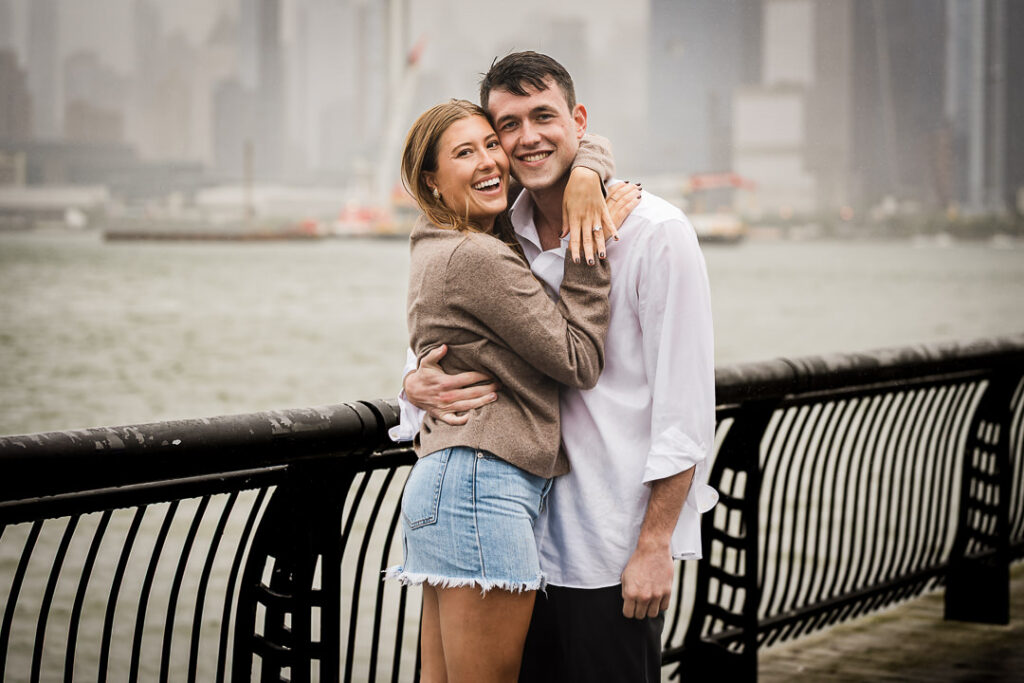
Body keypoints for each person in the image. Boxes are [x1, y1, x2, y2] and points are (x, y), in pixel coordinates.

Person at [394, 52, 718, 683]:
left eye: (543, 116)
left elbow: (685, 411)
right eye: (505, 126)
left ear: (578, 120)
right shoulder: (497, 235)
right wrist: (408, 385)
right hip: (517, 537)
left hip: (608, 547)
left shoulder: (656, 234)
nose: (524, 138)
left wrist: (656, 546)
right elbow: (442, 340)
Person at [385, 98, 639, 683]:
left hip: (450, 481)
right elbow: (578, 360)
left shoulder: (443, 239)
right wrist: (589, 237)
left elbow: (587, 142)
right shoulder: (476, 255)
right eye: (464, 152)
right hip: (481, 485)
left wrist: (583, 178)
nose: (489, 161)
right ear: (432, 179)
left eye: (490, 144)